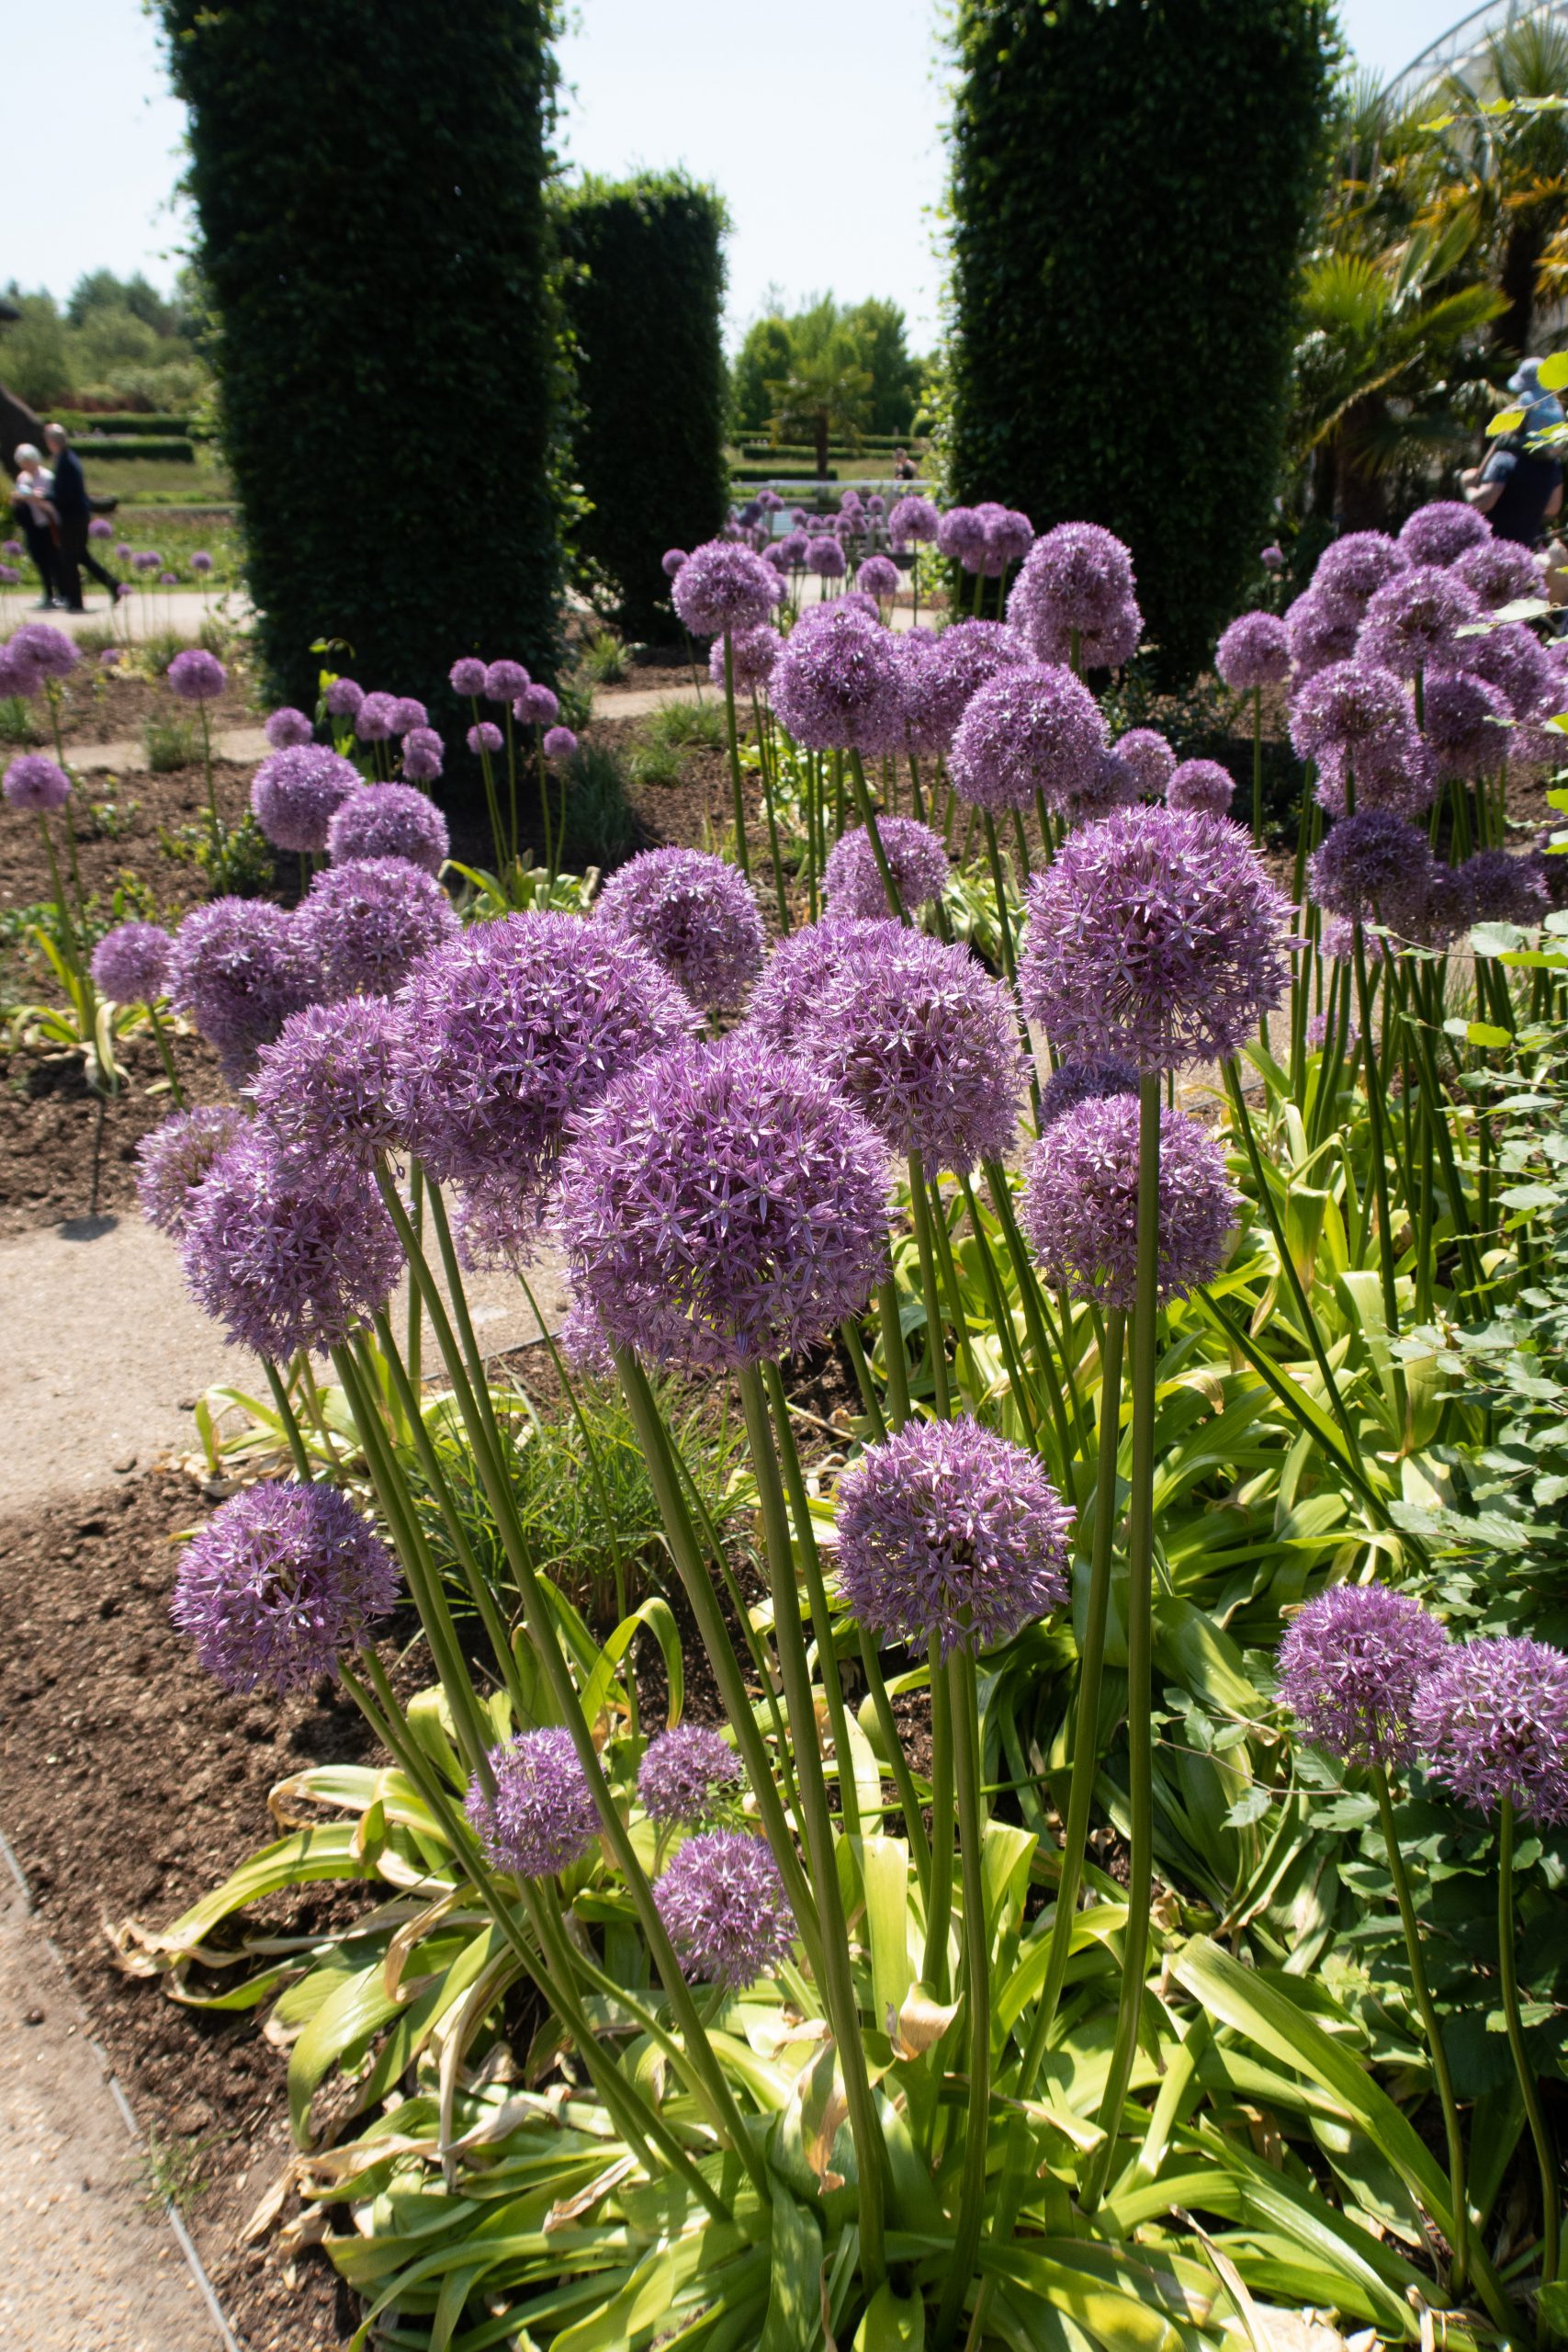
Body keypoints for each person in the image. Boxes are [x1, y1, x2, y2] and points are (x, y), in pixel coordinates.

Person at [1461, 357, 1564, 546]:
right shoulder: (1552, 465)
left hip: (1493, 550)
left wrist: (1467, 485)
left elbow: (1484, 502)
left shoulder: (1504, 459)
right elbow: (1552, 508)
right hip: (1526, 551)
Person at [43, 421, 117, 610]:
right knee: (81, 556)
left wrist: (44, 496)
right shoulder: (67, 458)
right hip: (77, 515)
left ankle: (76, 601)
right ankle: (114, 585)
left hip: (72, 517)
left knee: (68, 558)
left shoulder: (65, 462)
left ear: (52, 442)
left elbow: (65, 494)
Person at [9, 442, 60, 608]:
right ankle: (48, 593)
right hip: (32, 523)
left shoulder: (46, 477)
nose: (25, 466)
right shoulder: (23, 477)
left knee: (53, 558)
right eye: (23, 463)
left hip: (48, 522)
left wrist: (33, 497)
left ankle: (60, 592)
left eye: (28, 462)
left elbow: (51, 500)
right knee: (38, 558)